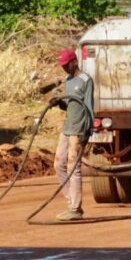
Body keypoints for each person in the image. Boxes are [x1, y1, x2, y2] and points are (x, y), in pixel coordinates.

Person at [50, 48, 94, 221]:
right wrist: (59, 102)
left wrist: (87, 131)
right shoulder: (68, 80)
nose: (64, 68)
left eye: (66, 65)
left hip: (79, 129)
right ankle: (72, 203)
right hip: (67, 128)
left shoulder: (86, 80)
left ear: (74, 62)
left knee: (73, 167)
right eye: (62, 65)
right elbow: (70, 104)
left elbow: (88, 107)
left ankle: (75, 208)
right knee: (58, 164)